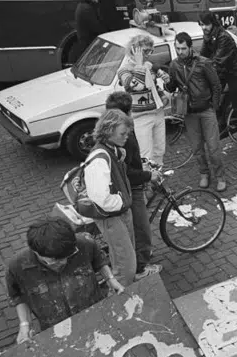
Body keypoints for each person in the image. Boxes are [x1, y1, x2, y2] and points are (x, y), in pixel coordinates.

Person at [5, 218, 125, 344]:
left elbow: (99, 261)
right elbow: (18, 296)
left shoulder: (85, 243)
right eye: (54, 260)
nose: (63, 262)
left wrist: (111, 279)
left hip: (94, 313)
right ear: (35, 252)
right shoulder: (17, 266)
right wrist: (25, 324)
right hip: (55, 327)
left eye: (68, 257)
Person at [105, 92, 164, 280]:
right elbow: (126, 171)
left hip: (123, 187)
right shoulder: (126, 136)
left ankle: (139, 255)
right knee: (142, 229)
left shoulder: (110, 131)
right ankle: (140, 269)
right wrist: (149, 174)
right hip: (132, 188)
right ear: (128, 112)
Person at [165, 32, 227, 192]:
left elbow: (216, 85)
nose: (180, 52)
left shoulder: (203, 63)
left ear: (190, 47)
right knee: (197, 148)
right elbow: (172, 86)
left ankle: (220, 176)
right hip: (189, 112)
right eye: (177, 48)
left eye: (183, 48)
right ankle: (204, 174)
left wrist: (214, 106)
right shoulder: (174, 65)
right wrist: (167, 83)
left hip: (206, 110)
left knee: (213, 147)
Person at [84, 109, 137, 286]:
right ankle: (120, 298)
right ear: (108, 130)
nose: (126, 137)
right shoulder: (99, 159)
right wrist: (123, 201)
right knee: (126, 266)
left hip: (119, 213)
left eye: (127, 133)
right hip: (111, 216)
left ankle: (123, 288)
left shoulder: (112, 150)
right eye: (123, 133)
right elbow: (101, 198)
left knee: (124, 258)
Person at [199, 11, 237, 156]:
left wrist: (204, 72)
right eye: (201, 24)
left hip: (234, 72)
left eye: (206, 24)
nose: (203, 27)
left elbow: (217, 61)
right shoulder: (208, 35)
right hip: (222, 71)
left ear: (213, 23)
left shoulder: (224, 37)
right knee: (213, 99)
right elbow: (203, 56)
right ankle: (222, 122)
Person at [117, 34, 167, 165]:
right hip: (141, 117)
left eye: (151, 51)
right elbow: (135, 86)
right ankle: (148, 183)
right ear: (135, 50)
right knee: (146, 155)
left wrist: (162, 96)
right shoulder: (124, 70)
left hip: (158, 113)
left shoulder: (148, 66)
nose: (148, 54)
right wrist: (139, 65)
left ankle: (158, 181)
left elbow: (154, 87)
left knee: (159, 151)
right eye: (145, 51)